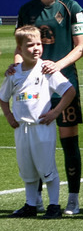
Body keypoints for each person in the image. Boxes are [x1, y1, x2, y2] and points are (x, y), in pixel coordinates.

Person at [12, 0, 83, 215]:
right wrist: (16, 69)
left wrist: (58, 65)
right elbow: (20, 48)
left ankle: (73, 199)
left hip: (63, 83)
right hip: (34, 87)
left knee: (68, 141)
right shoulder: (27, 9)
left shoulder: (71, 7)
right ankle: (36, 202)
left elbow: (80, 46)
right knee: (34, 142)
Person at [2, 26, 76, 218]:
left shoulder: (46, 69)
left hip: (42, 126)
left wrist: (55, 112)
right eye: (30, 45)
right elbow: (3, 98)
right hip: (21, 128)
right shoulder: (14, 73)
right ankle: (31, 205)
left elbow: (69, 91)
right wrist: (9, 115)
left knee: (46, 166)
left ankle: (53, 205)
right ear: (19, 48)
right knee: (26, 168)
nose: (36, 48)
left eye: (38, 44)